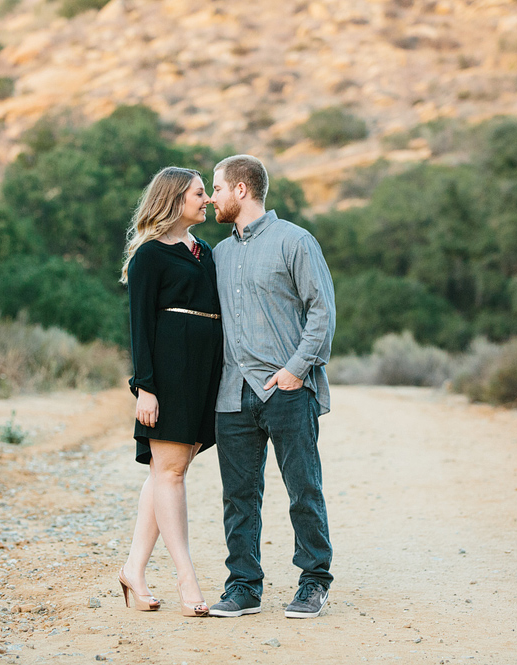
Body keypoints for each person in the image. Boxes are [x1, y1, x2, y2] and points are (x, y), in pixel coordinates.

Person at [206, 154, 338, 620]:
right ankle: (243, 586)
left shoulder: (295, 241)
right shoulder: (217, 254)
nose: (212, 197)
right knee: (238, 497)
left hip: (286, 390)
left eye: (217, 188)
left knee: (303, 489)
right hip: (231, 394)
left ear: (241, 189)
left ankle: (313, 582)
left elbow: (322, 312)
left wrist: (296, 371)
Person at [116, 166, 221, 618]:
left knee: (165, 472)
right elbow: (140, 326)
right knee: (171, 474)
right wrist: (145, 388)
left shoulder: (206, 253)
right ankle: (186, 575)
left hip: (204, 374)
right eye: (200, 193)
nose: (208, 200)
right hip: (170, 377)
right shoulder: (149, 257)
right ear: (175, 198)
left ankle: (132, 570)